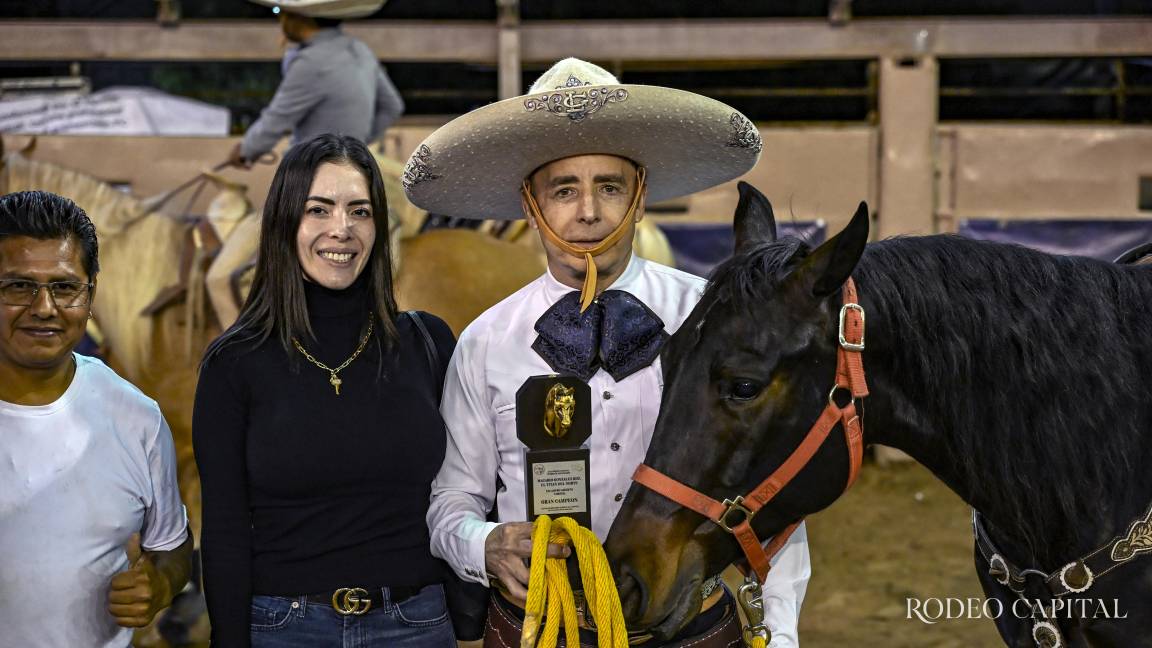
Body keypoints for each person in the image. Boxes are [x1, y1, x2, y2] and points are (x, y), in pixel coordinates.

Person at [407, 58, 811, 646]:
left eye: (610, 187)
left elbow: (773, 497)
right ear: (531, 206)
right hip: (538, 629)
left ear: (641, 199)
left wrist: (780, 632)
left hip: (692, 628)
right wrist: (485, 545)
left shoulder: (712, 320)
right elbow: (451, 501)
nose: (589, 212)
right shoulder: (486, 341)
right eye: (564, 190)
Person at [193, 134, 456, 647]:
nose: (342, 229)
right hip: (284, 628)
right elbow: (223, 528)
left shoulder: (429, 343)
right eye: (319, 209)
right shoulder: (234, 363)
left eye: (360, 211)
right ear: (286, 221)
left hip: (417, 625)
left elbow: (466, 494)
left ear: (379, 227)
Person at [0, 190, 192, 647]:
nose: (44, 307)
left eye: (64, 287)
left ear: (90, 295)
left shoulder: (135, 417)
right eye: (18, 286)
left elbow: (171, 543)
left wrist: (161, 584)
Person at [227, 0, 404, 168]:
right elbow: (393, 106)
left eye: (281, 12)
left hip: (311, 168)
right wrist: (357, 144)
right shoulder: (361, 50)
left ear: (299, 18)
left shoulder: (312, 61)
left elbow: (278, 118)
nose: (280, 20)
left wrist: (246, 151)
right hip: (353, 166)